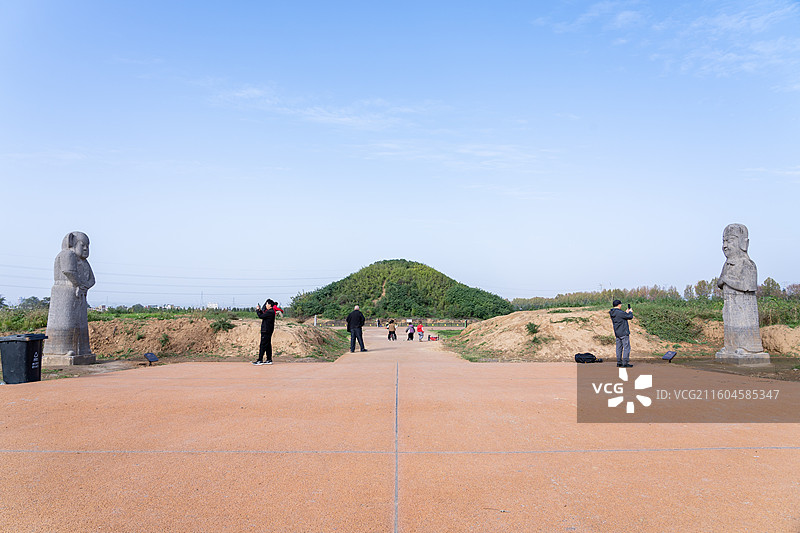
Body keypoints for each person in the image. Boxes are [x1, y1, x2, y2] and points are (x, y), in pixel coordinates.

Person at [609, 299, 634, 367]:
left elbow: (622, 316)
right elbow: (630, 317)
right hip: (623, 332)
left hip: (617, 332)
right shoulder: (620, 312)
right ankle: (625, 363)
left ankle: (619, 362)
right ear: (619, 305)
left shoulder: (612, 312)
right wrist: (630, 312)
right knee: (626, 348)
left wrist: (626, 312)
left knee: (619, 348)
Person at [253, 299, 276, 365]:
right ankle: (269, 359)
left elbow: (261, 316)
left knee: (262, 345)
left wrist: (257, 310)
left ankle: (260, 360)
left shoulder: (270, 312)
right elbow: (263, 314)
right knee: (268, 345)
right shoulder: (271, 311)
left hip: (266, 330)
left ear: (269, 305)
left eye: (266, 304)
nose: (265, 305)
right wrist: (260, 311)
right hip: (268, 330)